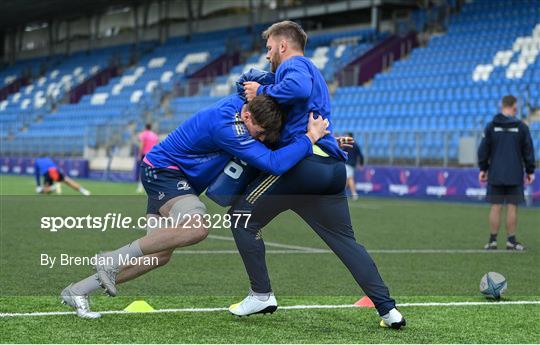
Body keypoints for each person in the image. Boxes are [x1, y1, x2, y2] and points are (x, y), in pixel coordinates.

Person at [60, 93, 329, 319]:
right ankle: (112, 258)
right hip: (166, 174)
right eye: (258, 133)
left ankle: (78, 290)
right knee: (197, 227)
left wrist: (329, 142)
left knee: (160, 254)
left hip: (165, 174)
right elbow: (274, 163)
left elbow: (259, 85)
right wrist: (310, 139)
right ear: (247, 117)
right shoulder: (229, 129)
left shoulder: (239, 104)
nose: (258, 140)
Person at [231, 20, 405, 329]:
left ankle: (261, 294)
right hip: (331, 170)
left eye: (270, 47)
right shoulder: (313, 73)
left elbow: (295, 88)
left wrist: (262, 90)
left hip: (304, 165)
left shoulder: (294, 65)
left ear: (283, 45)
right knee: (346, 243)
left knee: (241, 217)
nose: (268, 53)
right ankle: (389, 311)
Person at [478, 95, 535, 251]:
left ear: (501, 105)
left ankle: (492, 241)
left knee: (495, 207)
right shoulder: (521, 127)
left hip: (495, 172)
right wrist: (530, 170)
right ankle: (511, 240)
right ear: (515, 106)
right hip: (514, 173)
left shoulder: (491, 126)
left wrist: (483, 169)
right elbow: (528, 151)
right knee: (512, 206)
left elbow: (483, 150)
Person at [135, 123, 159, 193]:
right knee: (151, 170)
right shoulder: (154, 135)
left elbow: (141, 144)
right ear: (151, 127)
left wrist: (139, 154)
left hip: (145, 154)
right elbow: (156, 145)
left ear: (145, 127)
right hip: (152, 154)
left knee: (142, 170)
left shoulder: (143, 134)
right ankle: (152, 187)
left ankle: (140, 187)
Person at [343, 132, 364, 201]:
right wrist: (361, 163)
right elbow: (360, 155)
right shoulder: (356, 145)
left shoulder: (347, 145)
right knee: (347, 179)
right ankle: (342, 193)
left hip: (348, 163)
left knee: (350, 178)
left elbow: (342, 153)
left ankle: (354, 194)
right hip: (352, 164)